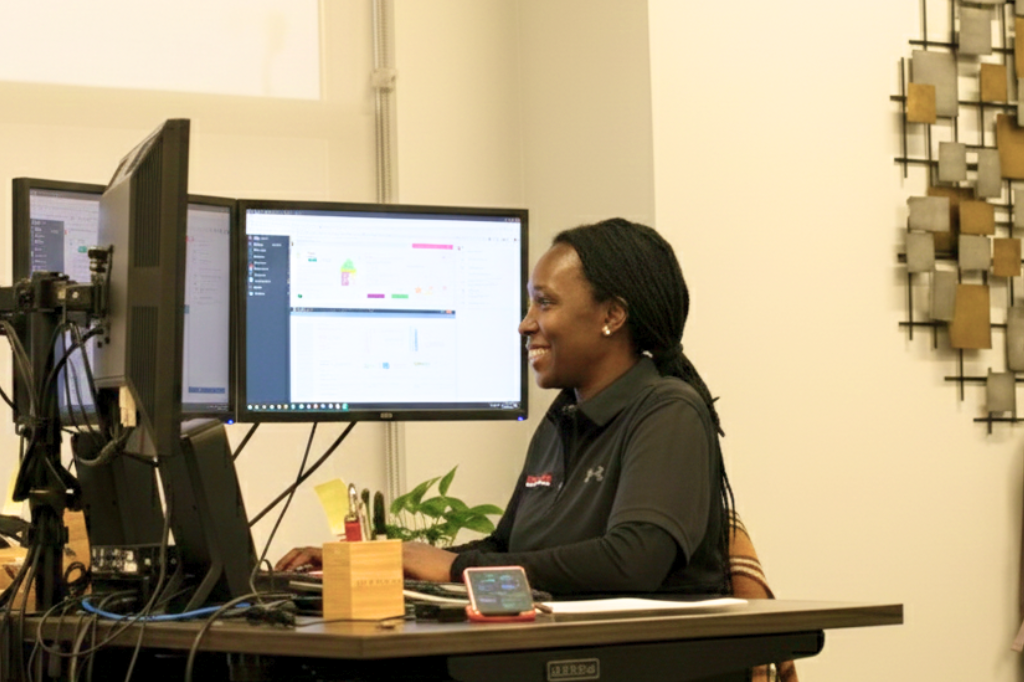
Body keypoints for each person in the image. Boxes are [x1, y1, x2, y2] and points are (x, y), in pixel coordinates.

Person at [278, 218, 734, 597]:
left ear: (611, 316)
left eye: (545, 302)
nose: (525, 324)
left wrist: (454, 568)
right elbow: (504, 545)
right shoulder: (562, 419)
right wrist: (380, 561)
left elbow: (634, 561)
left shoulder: (668, 410)